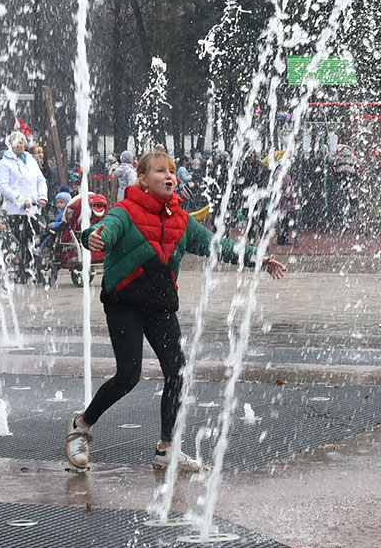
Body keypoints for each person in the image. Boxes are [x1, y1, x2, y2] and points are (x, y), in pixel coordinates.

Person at [65, 151, 284, 474]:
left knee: (178, 370)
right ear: (142, 179)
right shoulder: (125, 211)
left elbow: (218, 245)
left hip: (160, 304)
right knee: (128, 375)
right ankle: (81, 425)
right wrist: (93, 238)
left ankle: (167, 448)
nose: (169, 176)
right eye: (160, 171)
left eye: (171, 171)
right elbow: (103, 230)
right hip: (124, 302)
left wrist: (258, 258)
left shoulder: (181, 220)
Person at [0, 132, 47, 284]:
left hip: (34, 210)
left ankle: (35, 270)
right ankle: (23, 271)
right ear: (10, 144)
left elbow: (40, 180)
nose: (20, 145)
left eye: (22, 142)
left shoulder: (30, 160)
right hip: (16, 211)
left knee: (35, 240)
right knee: (22, 241)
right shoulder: (5, 163)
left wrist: (42, 197)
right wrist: (20, 200)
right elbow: (3, 187)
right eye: (17, 142)